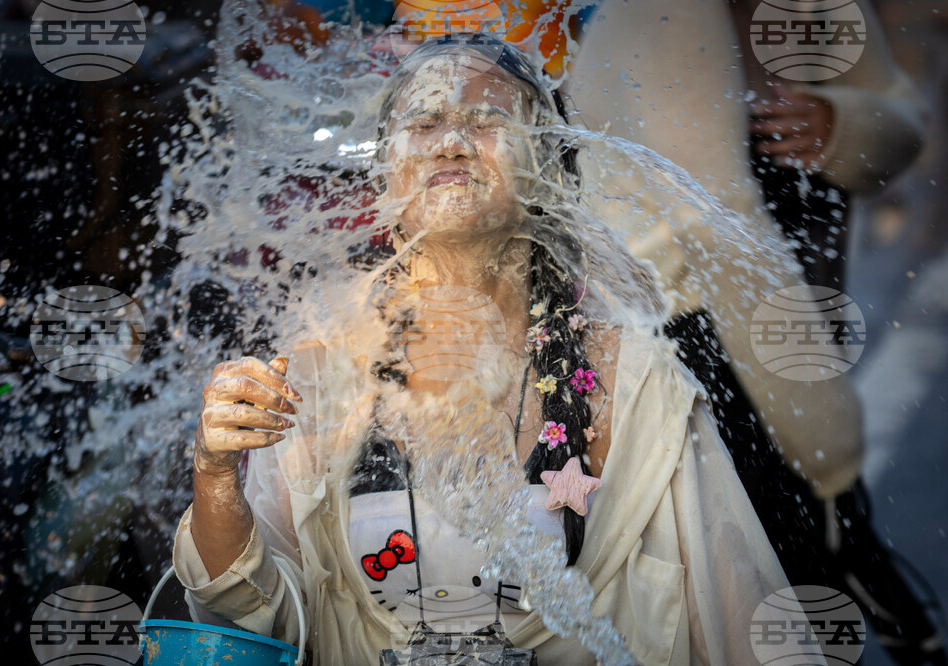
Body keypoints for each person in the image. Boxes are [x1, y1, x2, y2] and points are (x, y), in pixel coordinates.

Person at [171, 34, 818, 664]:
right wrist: (213, 473)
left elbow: (738, 622)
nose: (451, 141)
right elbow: (250, 618)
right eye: (423, 124)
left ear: (545, 172)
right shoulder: (319, 375)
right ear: (385, 180)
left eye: (485, 120)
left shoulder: (632, 376)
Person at [569, 1, 942, 661]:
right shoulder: (659, 15)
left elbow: (906, 121)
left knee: (804, 597)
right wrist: (830, 451)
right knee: (759, 605)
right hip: (691, 354)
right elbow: (724, 231)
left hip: (782, 346)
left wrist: (843, 126)